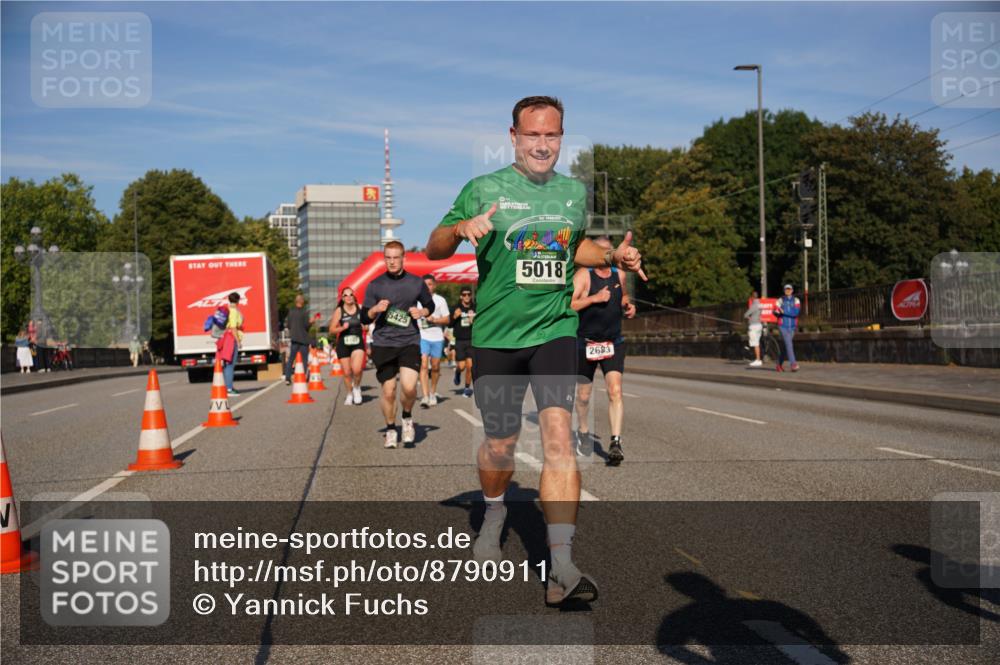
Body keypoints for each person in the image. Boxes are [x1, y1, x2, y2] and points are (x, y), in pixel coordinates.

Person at [425, 95, 645, 606]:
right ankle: (494, 510)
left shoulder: (572, 192)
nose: (542, 145)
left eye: (551, 135)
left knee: (559, 440)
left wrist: (610, 254)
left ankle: (561, 566)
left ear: (561, 138)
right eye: (532, 135)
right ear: (514, 136)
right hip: (496, 336)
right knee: (500, 445)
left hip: (555, 330)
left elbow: (574, 246)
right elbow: (433, 247)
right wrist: (459, 229)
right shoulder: (483, 189)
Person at [361, 241, 433, 448]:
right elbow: (364, 318)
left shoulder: (416, 283)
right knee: (389, 391)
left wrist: (421, 312)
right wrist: (374, 310)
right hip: (384, 343)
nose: (392, 262)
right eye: (388, 258)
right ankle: (391, 429)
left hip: (409, 340)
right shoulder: (375, 285)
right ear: (384, 259)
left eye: (395, 257)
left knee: (409, 388)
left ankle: (407, 418)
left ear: (403, 258)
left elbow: (429, 305)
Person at [571, 235, 636, 466]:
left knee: (615, 390)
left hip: (613, 343)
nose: (606, 257)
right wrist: (594, 298)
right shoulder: (583, 276)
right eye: (601, 253)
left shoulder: (620, 274)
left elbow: (624, 296)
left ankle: (615, 442)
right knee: (583, 396)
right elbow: (569, 304)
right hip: (585, 343)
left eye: (609, 252)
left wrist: (628, 306)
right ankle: (583, 432)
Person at [328, 287, 366, 406]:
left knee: (357, 369)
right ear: (342, 298)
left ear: (354, 296)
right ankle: (349, 394)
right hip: (343, 343)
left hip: (357, 341)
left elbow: (366, 324)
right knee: (347, 372)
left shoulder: (360, 308)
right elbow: (331, 329)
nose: (348, 297)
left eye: (351, 294)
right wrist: (342, 328)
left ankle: (357, 388)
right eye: (345, 295)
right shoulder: (339, 311)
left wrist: (365, 327)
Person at [418, 275, 451, 408]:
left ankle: (432, 392)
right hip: (422, 336)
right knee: (424, 365)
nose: (427, 287)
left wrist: (435, 320)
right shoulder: (417, 300)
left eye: (430, 284)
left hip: (437, 337)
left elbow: (447, 319)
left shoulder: (440, 300)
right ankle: (425, 396)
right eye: (425, 284)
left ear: (434, 285)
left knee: (435, 366)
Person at [284, 294, 321, 385]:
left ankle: (287, 378)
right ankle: (303, 377)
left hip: (294, 338)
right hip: (303, 339)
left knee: (291, 359)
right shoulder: (304, 312)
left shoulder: (291, 312)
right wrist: (311, 322)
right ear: (302, 301)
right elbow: (306, 326)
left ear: (295, 301)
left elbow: (288, 325)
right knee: (304, 359)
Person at [451, 287, 477, 397]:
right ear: (461, 296)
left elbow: (481, 323)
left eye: (469, 294)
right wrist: (454, 316)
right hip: (460, 340)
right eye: (464, 294)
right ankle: (457, 373)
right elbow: (449, 324)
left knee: (470, 366)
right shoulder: (456, 308)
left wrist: (473, 321)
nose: (467, 296)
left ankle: (467, 388)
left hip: (471, 340)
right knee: (461, 366)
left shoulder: (475, 308)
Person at [774, 283, 801, 372]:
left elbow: (796, 313)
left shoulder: (796, 300)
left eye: (789, 289)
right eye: (786, 289)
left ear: (792, 290)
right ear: (784, 290)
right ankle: (793, 364)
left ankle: (779, 365)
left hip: (792, 327)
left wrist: (783, 311)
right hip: (782, 326)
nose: (788, 291)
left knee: (786, 346)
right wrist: (777, 312)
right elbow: (776, 310)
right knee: (789, 344)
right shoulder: (780, 300)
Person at [222, 292, 244, 394]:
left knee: (227, 364)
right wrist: (238, 341)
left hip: (226, 337)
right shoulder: (234, 311)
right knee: (230, 364)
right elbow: (233, 327)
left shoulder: (228, 309)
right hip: (232, 339)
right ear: (238, 300)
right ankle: (229, 389)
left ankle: (228, 386)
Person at [744, 290, 763, 368]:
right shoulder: (760, 304)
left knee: (755, 343)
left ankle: (758, 360)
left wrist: (749, 317)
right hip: (759, 325)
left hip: (754, 326)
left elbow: (746, 314)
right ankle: (757, 359)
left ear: (752, 297)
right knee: (756, 342)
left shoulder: (754, 305)